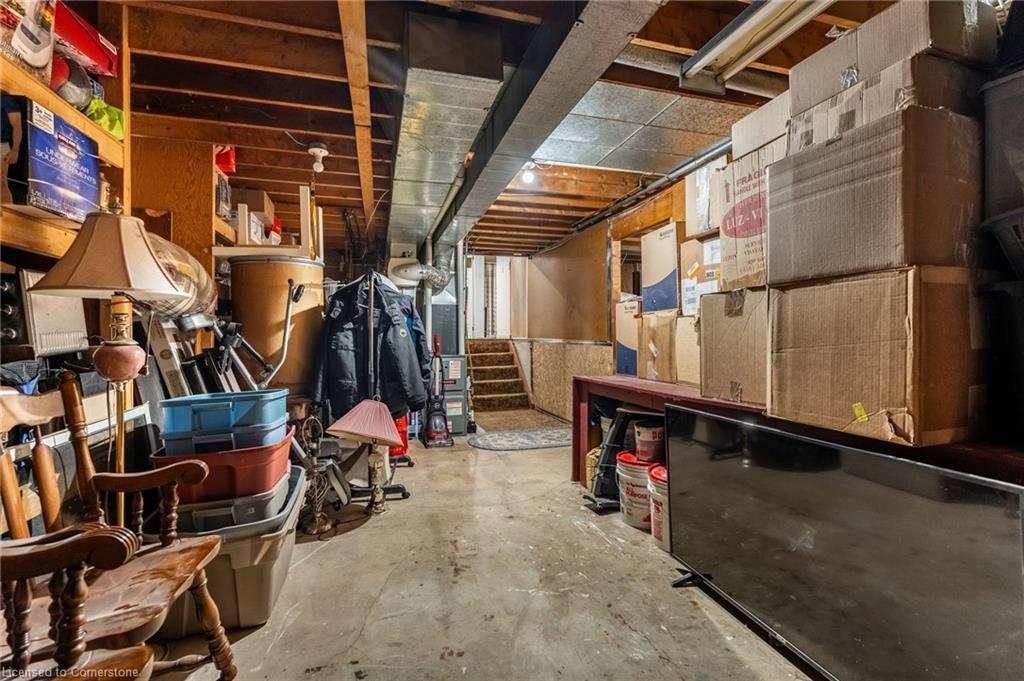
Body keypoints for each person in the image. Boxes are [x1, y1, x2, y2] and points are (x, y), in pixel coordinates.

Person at [1, 94, 23, 204]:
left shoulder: (7, 100)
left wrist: (15, 150)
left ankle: (7, 212)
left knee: (1, 182)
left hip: (1, 143)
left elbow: (17, 127)